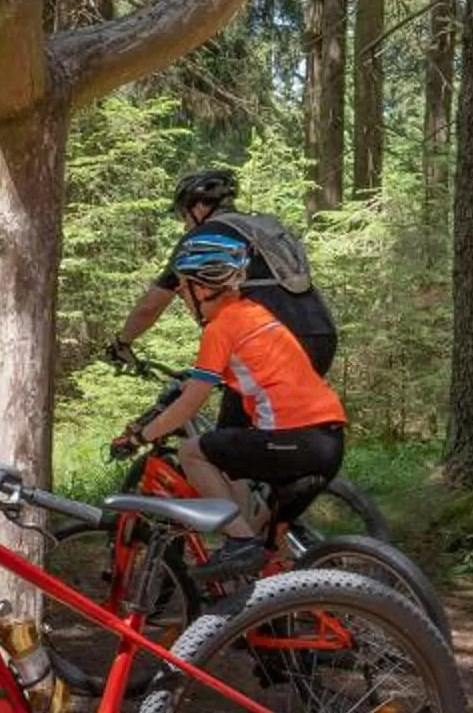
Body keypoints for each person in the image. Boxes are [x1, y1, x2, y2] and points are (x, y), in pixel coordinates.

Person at [110, 222, 347, 581]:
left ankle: (238, 543)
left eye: (183, 290)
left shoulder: (220, 328)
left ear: (201, 288)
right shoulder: (255, 314)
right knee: (262, 532)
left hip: (293, 441)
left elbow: (189, 406)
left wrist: (139, 436)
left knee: (193, 451)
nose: (183, 300)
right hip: (328, 440)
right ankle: (276, 612)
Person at [102, 167, 336, 376]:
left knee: (235, 420)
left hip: (269, 341)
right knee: (290, 415)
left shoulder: (205, 239)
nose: (185, 224)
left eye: (184, 214)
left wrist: (123, 343)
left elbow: (151, 306)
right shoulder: (258, 227)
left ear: (201, 207)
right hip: (321, 332)